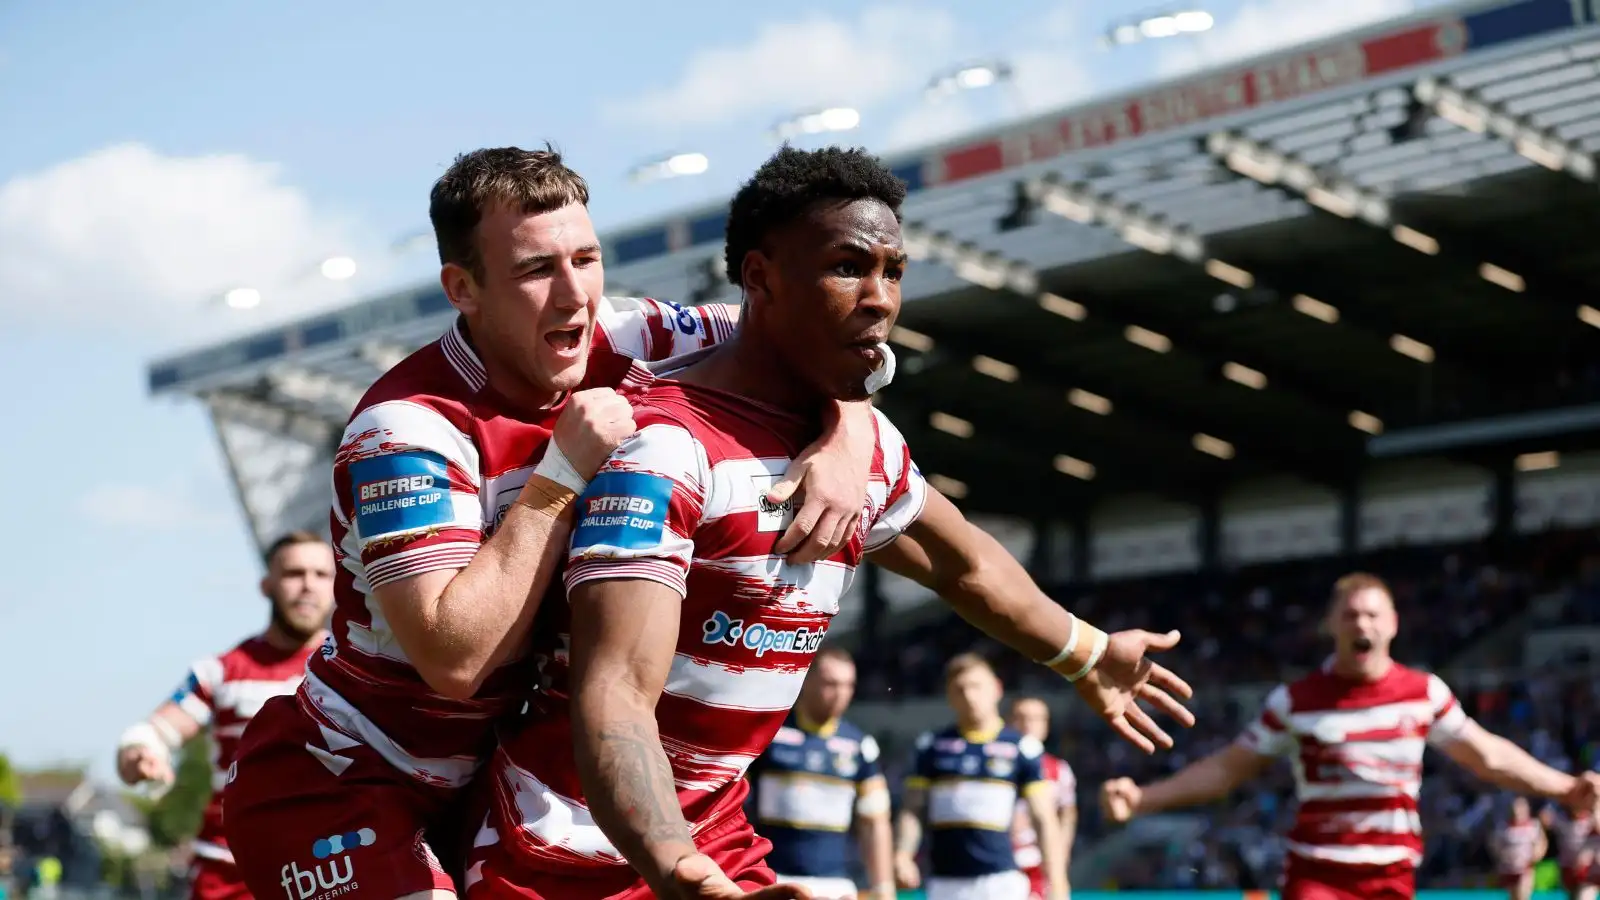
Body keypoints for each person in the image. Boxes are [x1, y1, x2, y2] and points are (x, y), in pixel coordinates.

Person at [465, 145, 1196, 900]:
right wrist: (674, 863)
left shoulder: (866, 448)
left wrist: (1084, 651)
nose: (880, 297)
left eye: (894, 272)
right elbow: (615, 691)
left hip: (716, 844)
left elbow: (963, 563)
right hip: (566, 851)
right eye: (849, 267)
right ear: (759, 278)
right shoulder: (665, 451)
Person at [223, 146, 878, 900]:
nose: (577, 296)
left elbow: (809, 335)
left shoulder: (636, 337)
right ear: (462, 288)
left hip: (490, 784)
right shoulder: (404, 431)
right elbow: (457, 662)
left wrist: (846, 432)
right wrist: (559, 476)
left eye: (587, 259)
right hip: (344, 777)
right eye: (537, 271)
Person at [1099, 572, 1600, 900]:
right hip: (1318, 876)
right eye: (1350, 614)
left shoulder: (1423, 693)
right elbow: (1227, 769)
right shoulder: (1296, 701)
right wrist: (1142, 798)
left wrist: (1563, 787)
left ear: (1393, 625)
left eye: (1372, 614)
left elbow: (1488, 755)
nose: (1361, 622)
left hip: (1392, 878)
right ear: (1331, 625)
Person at [116, 531, 334, 900]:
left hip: (333, 867)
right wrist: (140, 755)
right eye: (294, 574)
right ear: (267, 585)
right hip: (230, 874)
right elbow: (149, 736)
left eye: (321, 575)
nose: (308, 586)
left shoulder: (357, 666)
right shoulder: (219, 671)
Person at [892, 657, 1063, 900]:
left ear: (996, 689)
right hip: (944, 883)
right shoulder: (931, 747)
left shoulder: (1021, 748)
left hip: (1000, 882)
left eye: (976, 687)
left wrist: (1057, 882)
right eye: (960, 689)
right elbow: (912, 810)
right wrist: (902, 854)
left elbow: (1044, 819)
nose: (969, 696)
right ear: (949, 696)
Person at [741, 647, 893, 900]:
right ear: (807, 681)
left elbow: (874, 821)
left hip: (836, 884)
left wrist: (884, 887)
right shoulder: (770, 734)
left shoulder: (860, 747)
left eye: (848, 685)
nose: (840, 694)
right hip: (774, 877)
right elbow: (736, 801)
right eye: (831, 684)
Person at [1006, 697, 1076, 900]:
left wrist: (1059, 858)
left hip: (1039, 869)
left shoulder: (1059, 770)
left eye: (1036, 719)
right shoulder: (994, 763)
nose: (1028, 725)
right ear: (1009, 722)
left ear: (1046, 726)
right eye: (1021, 718)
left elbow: (1068, 814)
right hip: (1000, 864)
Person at [1493, 797, 1547, 900]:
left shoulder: (1533, 826)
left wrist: (1535, 856)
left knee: (1522, 896)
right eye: (1515, 808)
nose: (1517, 811)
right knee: (1513, 897)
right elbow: (1495, 845)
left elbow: (1541, 843)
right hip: (1508, 869)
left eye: (1520, 808)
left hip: (1525, 870)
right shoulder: (1504, 827)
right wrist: (1503, 856)